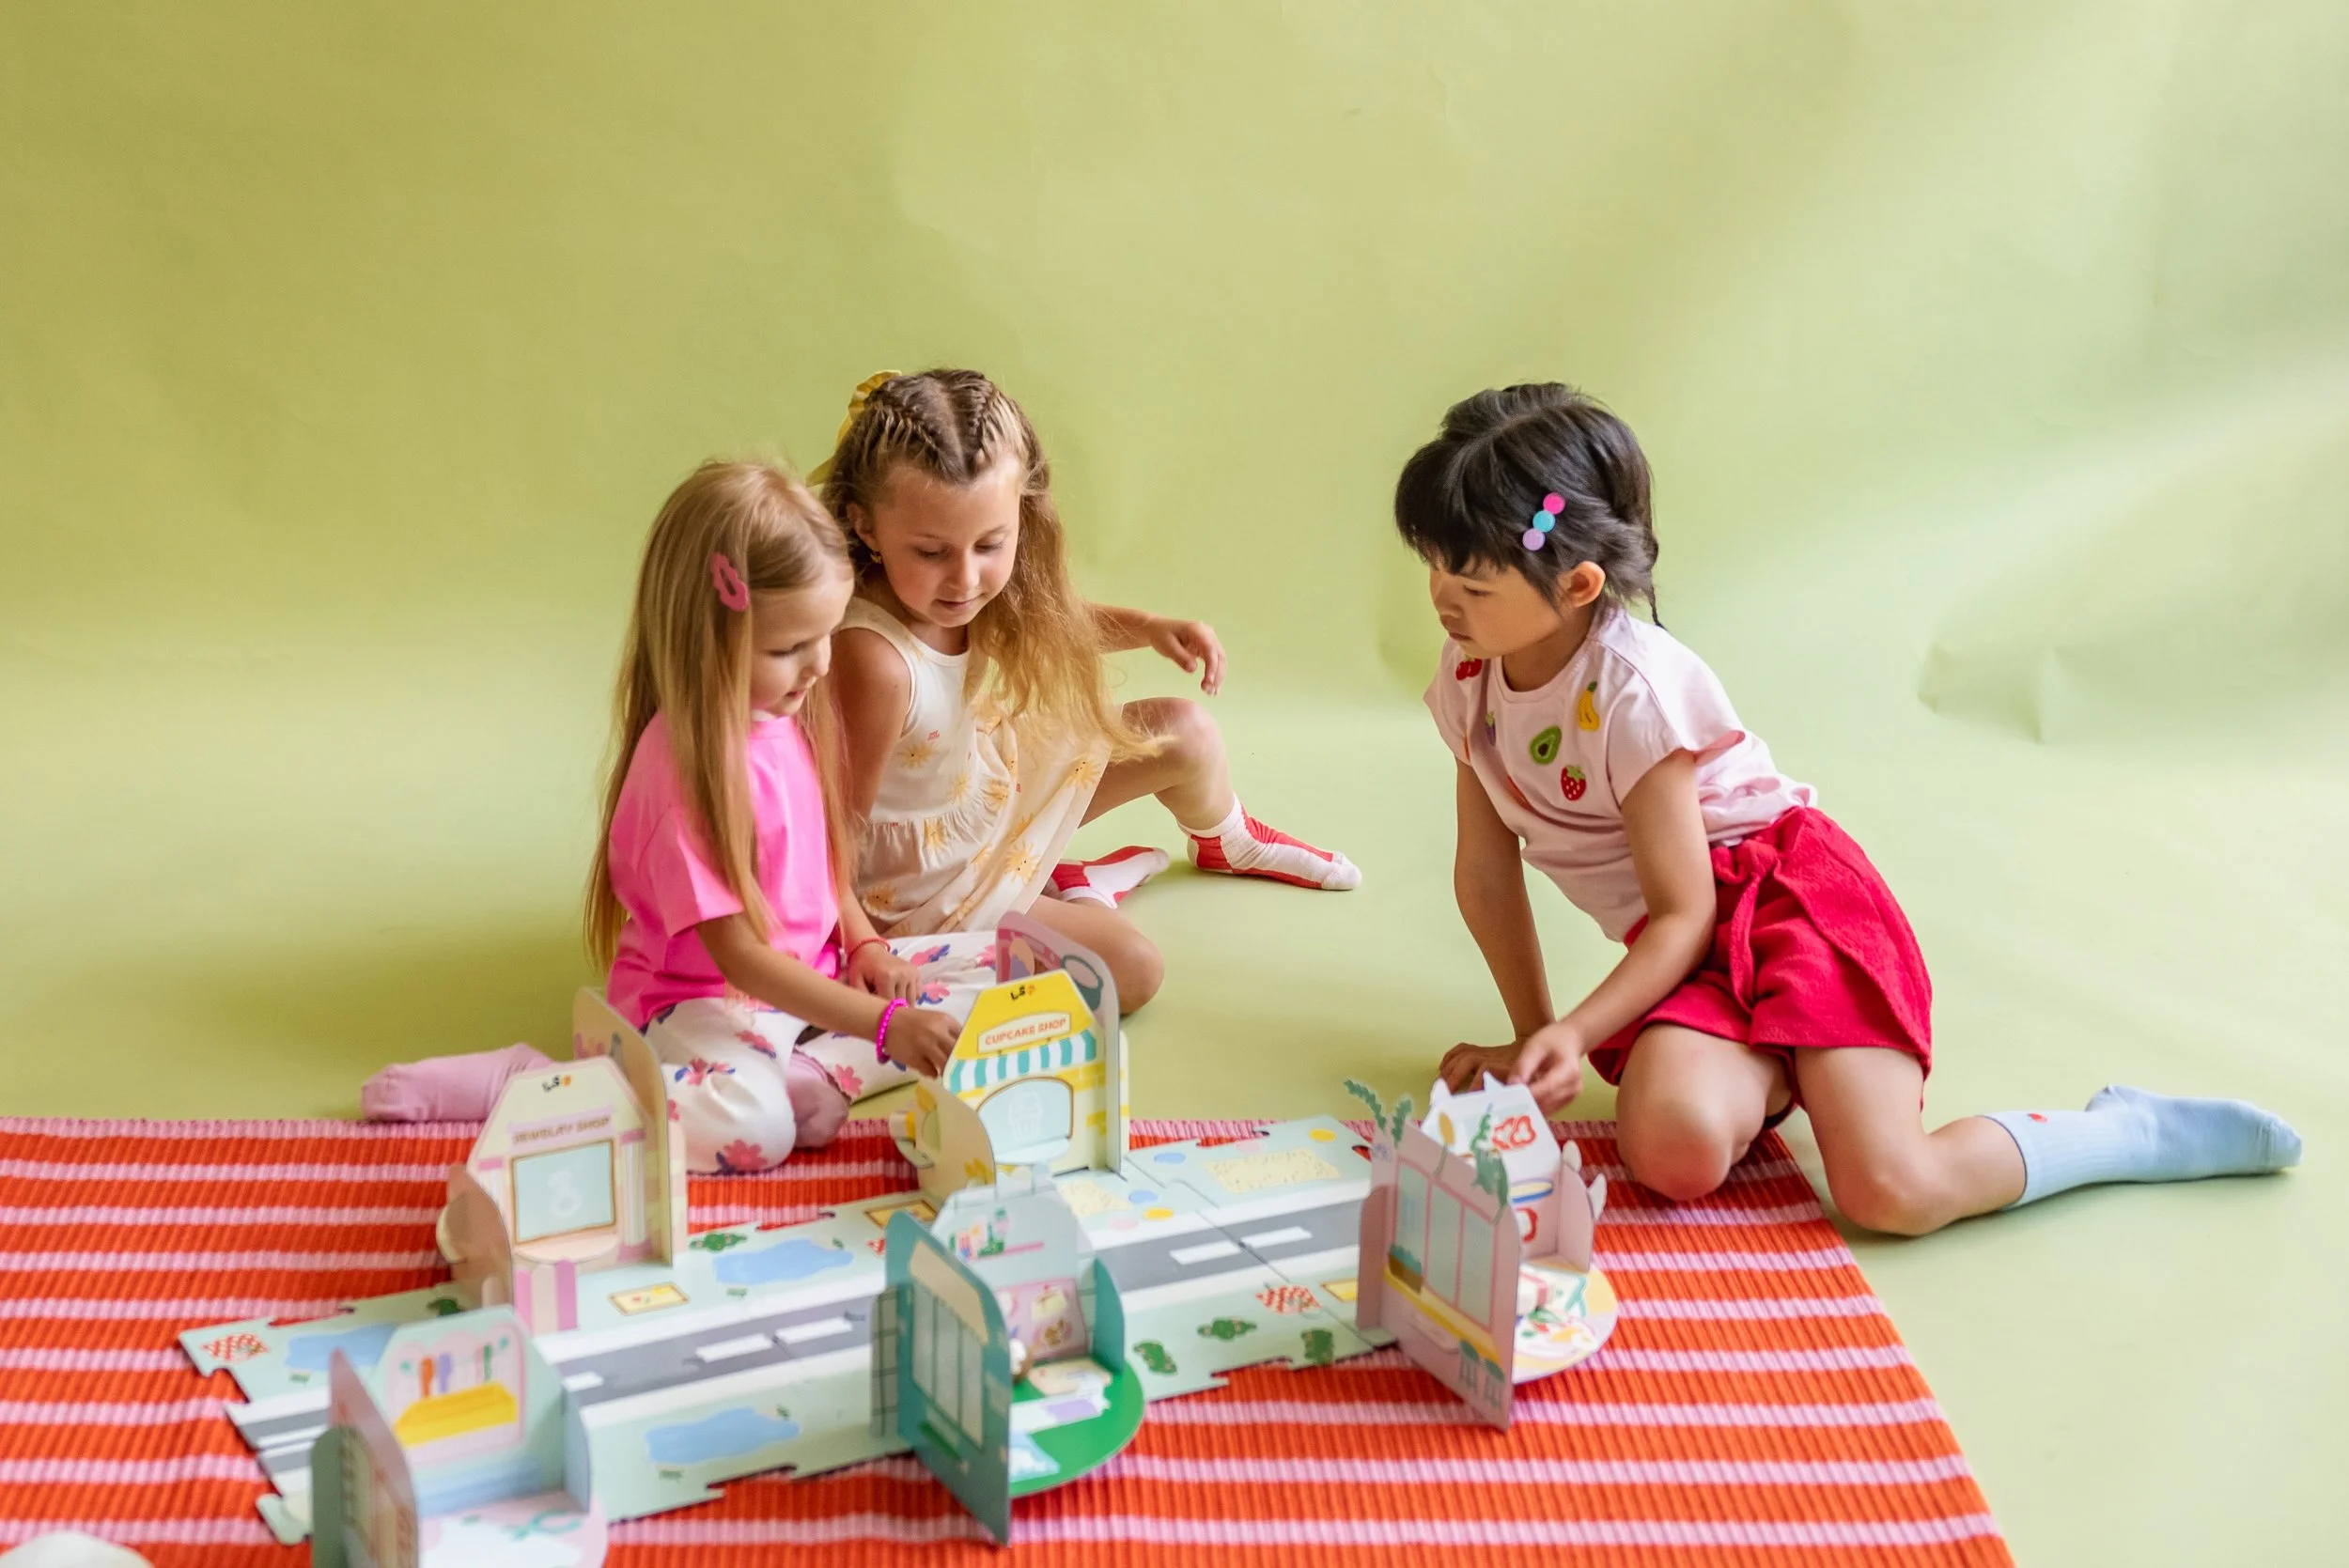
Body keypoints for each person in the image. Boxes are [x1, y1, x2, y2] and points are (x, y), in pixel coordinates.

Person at [1399, 382, 2301, 1234]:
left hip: (1791, 905)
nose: (1443, 597)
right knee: (1673, 1154)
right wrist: (1531, 1043)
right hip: (1691, 949)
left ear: (1579, 585)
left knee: (1890, 1191)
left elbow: (1685, 910)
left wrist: (1573, 1031)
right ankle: (1784, 1063)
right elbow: (1486, 869)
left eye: (1473, 584)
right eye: (1435, 564)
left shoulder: (1634, 692)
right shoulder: (1470, 678)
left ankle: (2125, 1132)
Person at [819, 369, 1359, 1009]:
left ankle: (1227, 840)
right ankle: (1060, 891)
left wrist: (1152, 628)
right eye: (932, 551)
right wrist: (862, 946)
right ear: (866, 526)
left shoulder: (957, 594)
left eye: (992, 543)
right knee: (1131, 969)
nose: (965, 578)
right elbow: (830, 835)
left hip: (987, 794)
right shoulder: (874, 660)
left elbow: (1048, 620)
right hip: (929, 894)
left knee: (1184, 730)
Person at [583, 459, 992, 1172]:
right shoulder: (687, 771)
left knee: (1003, 973)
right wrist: (886, 1024)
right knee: (757, 1130)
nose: (819, 666)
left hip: (811, 984)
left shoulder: (784, 713)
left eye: (826, 635)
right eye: (787, 648)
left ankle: (814, 1070)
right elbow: (740, 958)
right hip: (707, 1007)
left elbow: (823, 865)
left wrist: (866, 946)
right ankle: (566, 1087)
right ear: (704, 637)